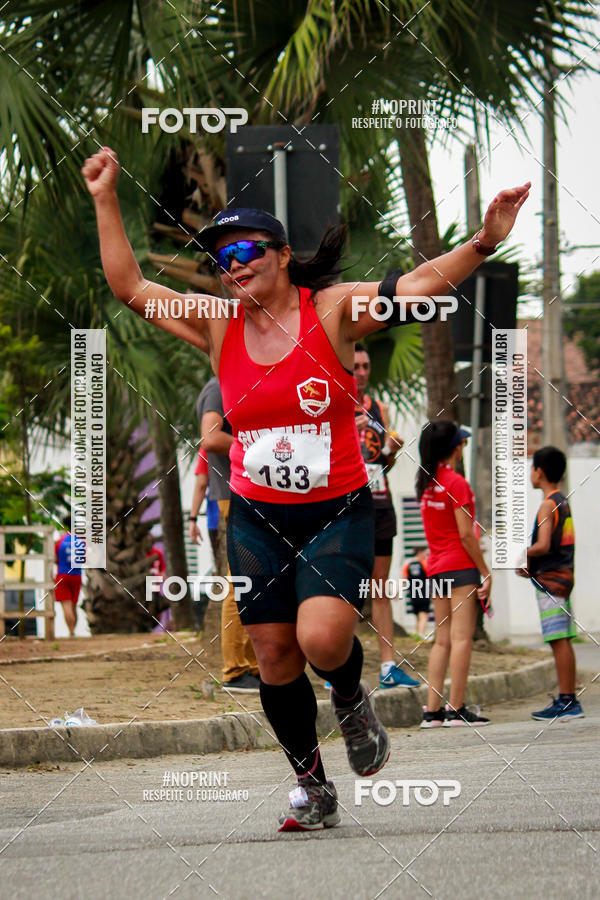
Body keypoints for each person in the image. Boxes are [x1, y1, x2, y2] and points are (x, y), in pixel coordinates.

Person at [83, 145, 529, 830]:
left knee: (322, 641)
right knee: (272, 653)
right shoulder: (219, 323)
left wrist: (481, 241)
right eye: (222, 258)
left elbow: (415, 288)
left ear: (282, 255)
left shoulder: (330, 310)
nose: (233, 267)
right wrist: (104, 197)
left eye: (247, 252)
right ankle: (312, 784)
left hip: (336, 511)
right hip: (258, 517)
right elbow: (132, 288)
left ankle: (350, 698)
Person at [417, 421, 491, 727]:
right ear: (453, 448)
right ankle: (456, 709)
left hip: (436, 569)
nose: (464, 447)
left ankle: (432, 711)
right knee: (462, 640)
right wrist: (485, 572)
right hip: (460, 567)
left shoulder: (426, 484)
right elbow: (466, 535)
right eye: (461, 443)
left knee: (442, 640)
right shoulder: (456, 483)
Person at [354, 342, 419, 688]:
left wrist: (392, 451)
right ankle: (340, 674)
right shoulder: (330, 404)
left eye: (366, 366)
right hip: (347, 509)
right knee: (345, 588)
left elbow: (384, 464)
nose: (362, 372)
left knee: (380, 587)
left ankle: (388, 667)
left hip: (380, 504)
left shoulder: (379, 409)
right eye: (356, 366)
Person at [196, 376, 260, 693]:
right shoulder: (219, 386)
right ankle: (235, 671)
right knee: (239, 583)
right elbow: (209, 437)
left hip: (251, 493)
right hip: (234, 495)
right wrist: (263, 447)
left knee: (255, 581)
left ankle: (252, 666)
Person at [516, 447, 583, 721]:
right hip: (562, 578)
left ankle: (568, 701)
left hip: (552, 583)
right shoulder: (562, 501)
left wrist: (520, 553)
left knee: (558, 639)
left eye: (532, 468)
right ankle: (567, 698)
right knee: (562, 638)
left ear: (539, 472)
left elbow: (542, 546)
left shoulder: (547, 504)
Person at [189, 448, 220, 559]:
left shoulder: (208, 446)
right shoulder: (243, 437)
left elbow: (202, 484)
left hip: (217, 520)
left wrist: (192, 519)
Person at [54, 524, 84, 637]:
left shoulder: (60, 541)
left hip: (62, 575)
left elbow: (55, 558)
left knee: (66, 605)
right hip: (77, 575)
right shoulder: (80, 542)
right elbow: (84, 558)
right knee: (74, 605)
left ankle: (71, 631)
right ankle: (73, 630)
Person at [402, 547, 431, 640]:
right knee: (424, 614)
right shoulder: (424, 563)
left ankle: (417, 634)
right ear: (420, 552)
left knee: (417, 615)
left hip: (413, 593)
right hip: (423, 592)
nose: (426, 555)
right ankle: (421, 634)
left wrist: (398, 592)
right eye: (424, 553)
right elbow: (431, 576)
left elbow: (404, 579)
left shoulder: (408, 564)